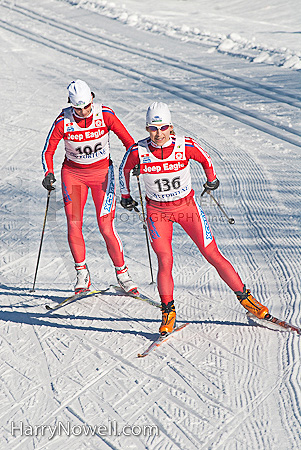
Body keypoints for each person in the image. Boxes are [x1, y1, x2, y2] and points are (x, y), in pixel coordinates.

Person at [119, 101, 269, 335]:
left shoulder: (184, 145)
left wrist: (212, 180)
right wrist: (126, 195)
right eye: (152, 129)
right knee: (165, 259)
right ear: (147, 129)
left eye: (163, 128)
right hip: (157, 212)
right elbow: (123, 169)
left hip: (187, 208)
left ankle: (246, 298)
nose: (158, 134)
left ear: (171, 126)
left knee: (212, 254)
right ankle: (168, 312)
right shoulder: (138, 151)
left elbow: (206, 159)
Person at [42, 79, 138, 295]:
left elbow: (129, 142)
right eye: (78, 108)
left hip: (102, 176)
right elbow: (48, 151)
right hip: (73, 176)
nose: (83, 111)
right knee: (73, 223)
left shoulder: (105, 114)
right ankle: (82, 274)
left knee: (106, 227)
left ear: (92, 98)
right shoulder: (63, 121)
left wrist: (137, 162)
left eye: (86, 106)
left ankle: (123, 274)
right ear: (70, 104)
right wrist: (48, 173)